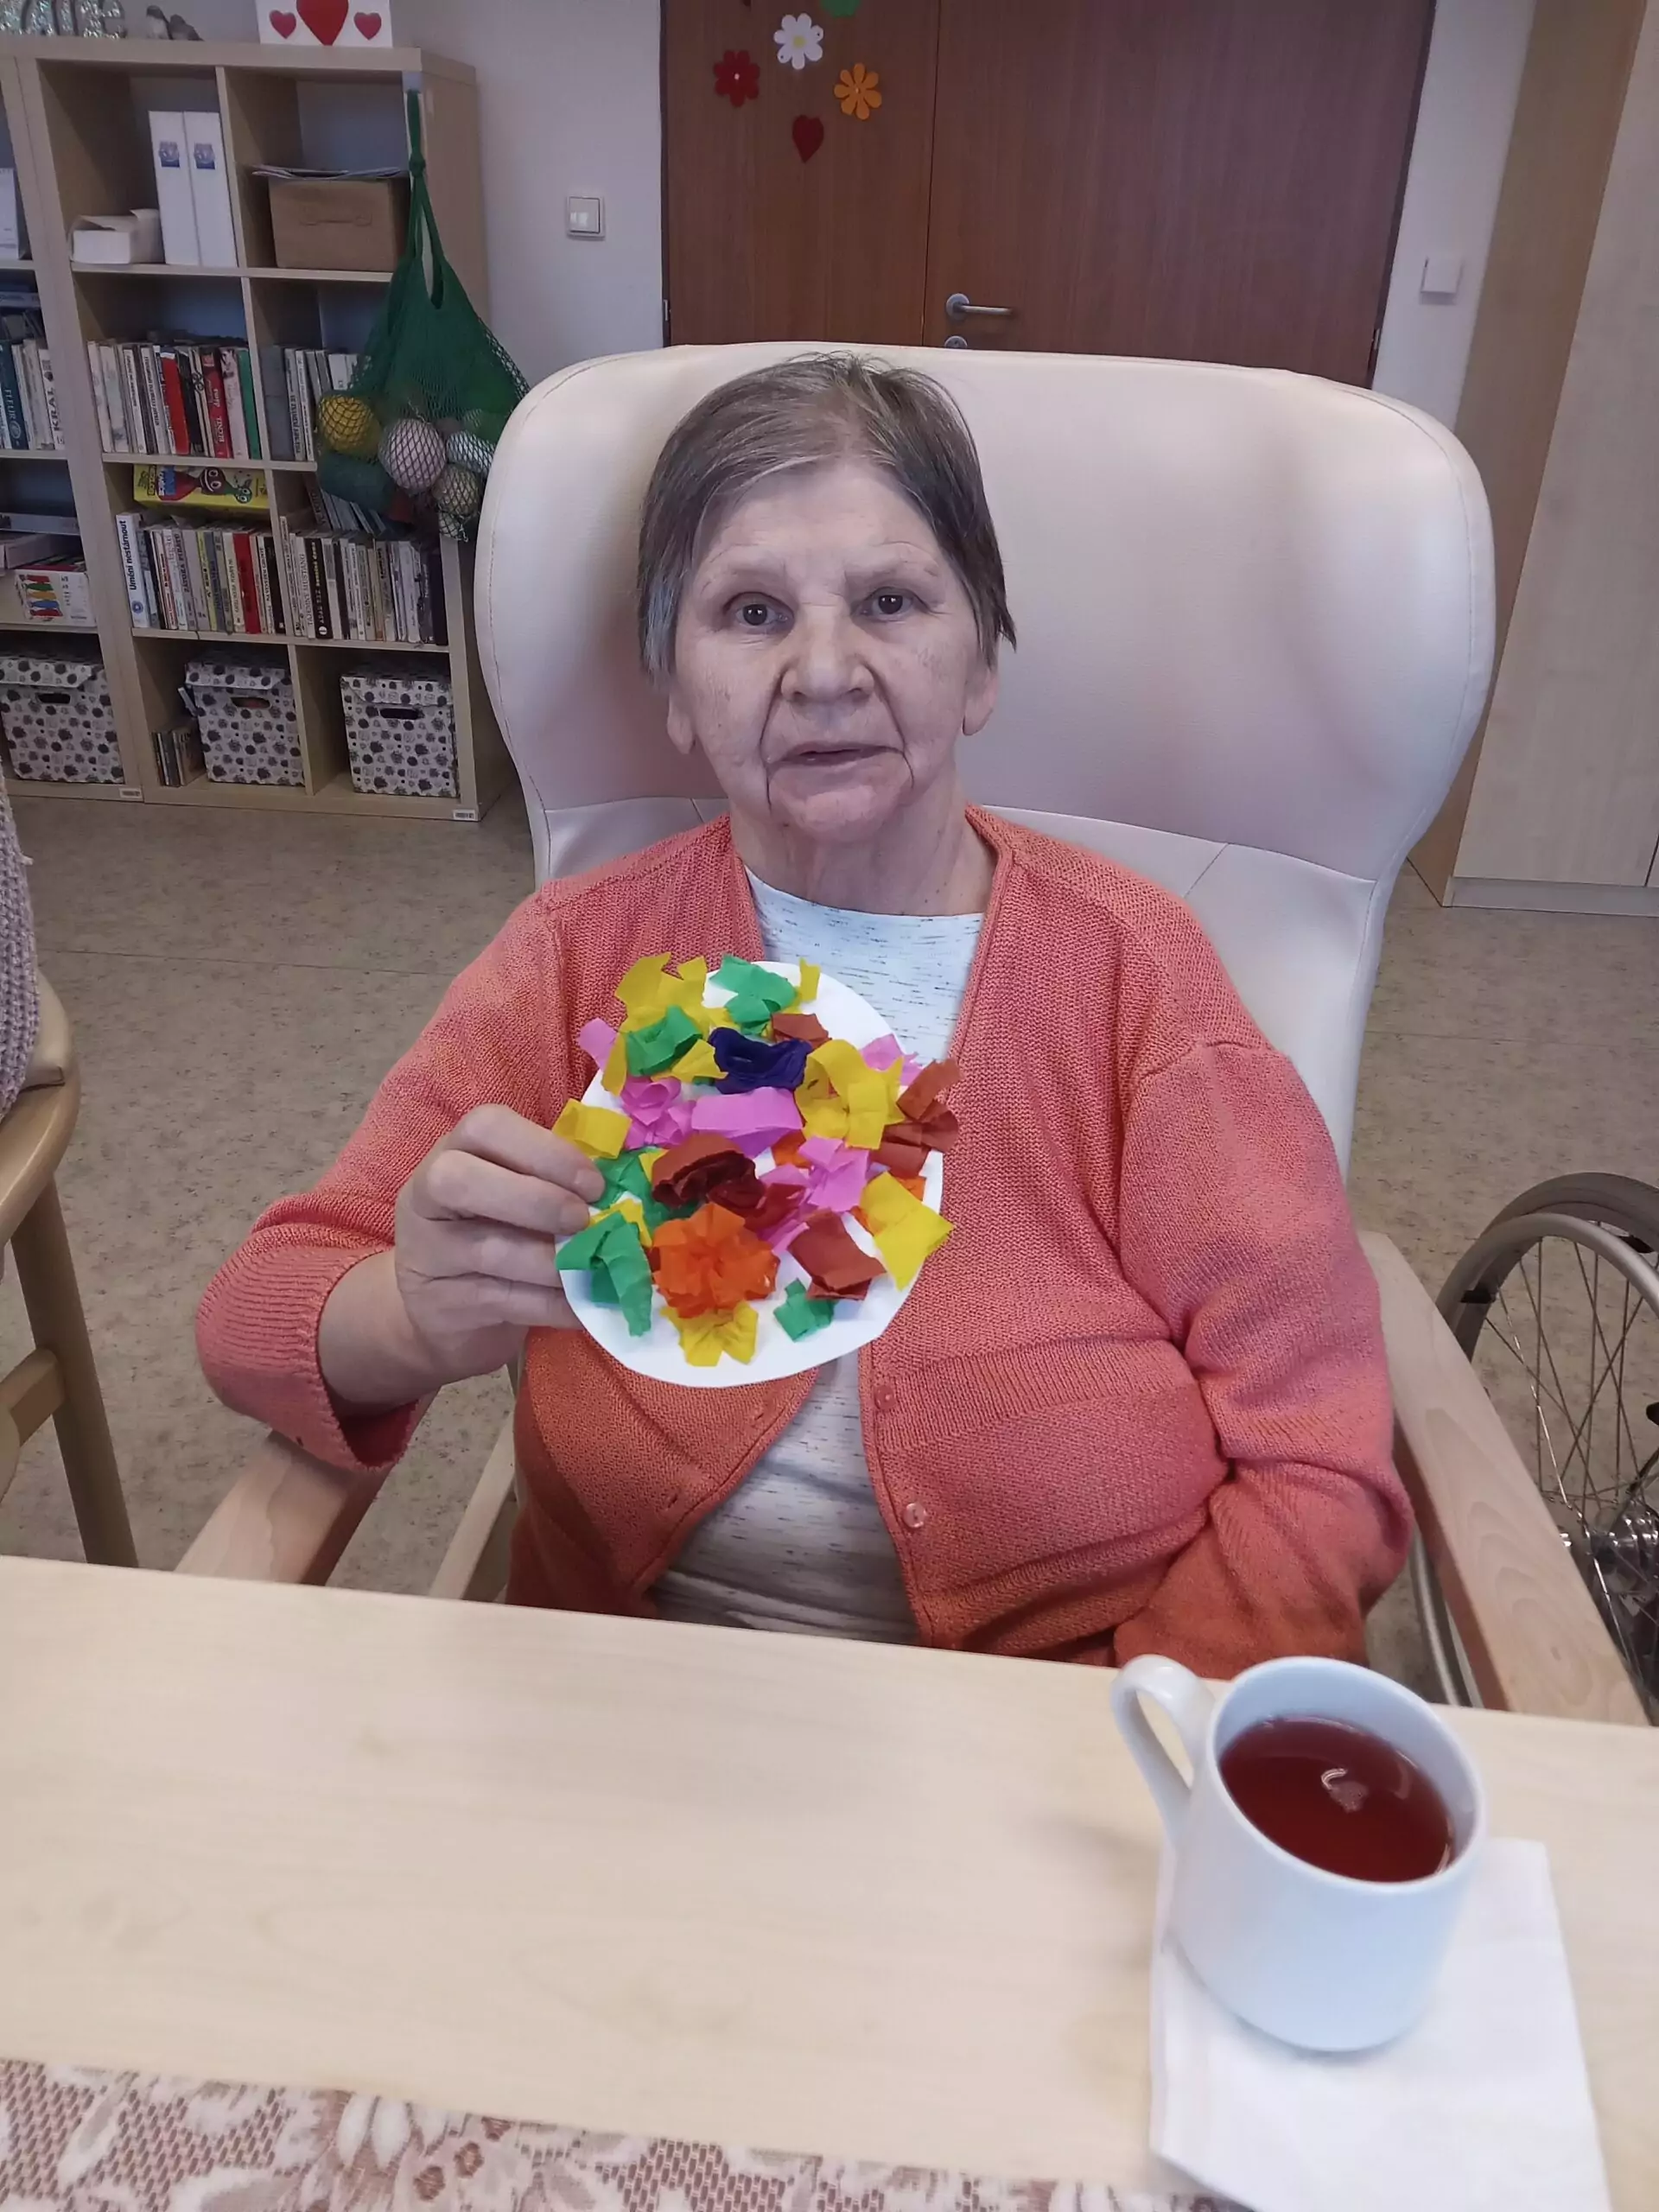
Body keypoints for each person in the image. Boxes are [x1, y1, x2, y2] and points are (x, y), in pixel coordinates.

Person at [198, 353, 1408, 1672]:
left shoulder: (1136, 977)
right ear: (674, 689)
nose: (825, 670)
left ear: (979, 666)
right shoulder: (573, 956)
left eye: (891, 600)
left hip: (1062, 1726)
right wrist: (408, 1315)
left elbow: (1317, 1458)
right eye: (752, 611)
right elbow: (252, 1318)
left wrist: (1137, 1733)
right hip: (623, 1706)